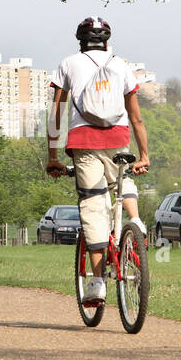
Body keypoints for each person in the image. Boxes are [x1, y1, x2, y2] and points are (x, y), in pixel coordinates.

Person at [46, 16, 150, 304]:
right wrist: (144, 155)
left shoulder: (68, 64)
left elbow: (56, 114)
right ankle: (136, 222)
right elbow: (136, 117)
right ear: (106, 40)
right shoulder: (121, 65)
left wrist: (53, 156)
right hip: (119, 138)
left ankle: (98, 284)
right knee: (123, 178)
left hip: (84, 142)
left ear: (81, 41)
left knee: (93, 206)